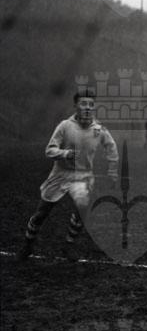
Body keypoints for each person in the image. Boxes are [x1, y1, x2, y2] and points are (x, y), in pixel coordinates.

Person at [16, 89, 119, 262]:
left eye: (91, 104)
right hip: (60, 174)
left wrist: (112, 171)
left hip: (83, 176)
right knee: (42, 212)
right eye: (83, 104)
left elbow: (111, 148)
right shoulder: (65, 126)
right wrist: (65, 154)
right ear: (76, 106)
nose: (88, 108)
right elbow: (49, 150)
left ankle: (69, 245)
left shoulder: (98, 129)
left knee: (81, 212)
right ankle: (27, 244)